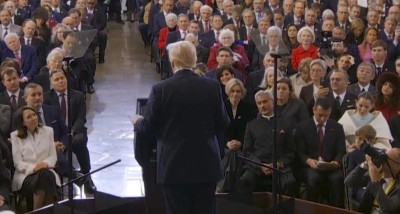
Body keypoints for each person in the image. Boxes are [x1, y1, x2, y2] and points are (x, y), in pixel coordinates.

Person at [133, 41, 229, 214]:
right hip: (205, 165)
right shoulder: (212, 87)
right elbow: (223, 123)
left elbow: (148, 128)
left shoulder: (160, 89)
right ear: (194, 61)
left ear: (172, 62)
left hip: (173, 166)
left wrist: (137, 121)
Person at [44, 70, 96, 194]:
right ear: (51, 83)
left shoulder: (77, 96)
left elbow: (81, 118)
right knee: (56, 147)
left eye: (62, 78)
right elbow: (47, 119)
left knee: (80, 141)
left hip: (74, 131)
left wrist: (72, 131)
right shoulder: (47, 98)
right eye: (56, 79)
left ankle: (86, 175)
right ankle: (73, 175)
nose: (60, 81)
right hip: (56, 134)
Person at [239, 90, 297, 196]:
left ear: (272, 102)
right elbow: (246, 152)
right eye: (259, 103)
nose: (262, 106)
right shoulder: (251, 125)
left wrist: (279, 164)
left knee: (290, 182)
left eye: (265, 102)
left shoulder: (286, 123)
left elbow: (291, 151)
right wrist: (260, 165)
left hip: (280, 166)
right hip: (256, 167)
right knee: (245, 180)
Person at [296, 97, 346, 208]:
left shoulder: (337, 127)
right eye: (320, 115)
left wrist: (336, 161)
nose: (323, 119)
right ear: (314, 110)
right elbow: (299, 151)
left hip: (330, 166)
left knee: (338, 179)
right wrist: (308, 161)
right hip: (310, 166)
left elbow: (341, 150)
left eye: (326, 115)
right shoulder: (303, 127)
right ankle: (311, 210)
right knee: (314, 179)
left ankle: (336, 210)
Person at [11, 106, 60, 210]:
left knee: (44, 176)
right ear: (23, 122)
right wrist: (34, 168)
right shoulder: (15, 136)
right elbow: (17, 162)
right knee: (45, 178)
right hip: (26, 175)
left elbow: (53, 156)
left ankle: (36, 211)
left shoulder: (48, 131)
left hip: (46, 170)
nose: (34, 118)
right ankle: (47, 211)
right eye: (29, 117)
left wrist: (44, 165)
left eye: (34, 115)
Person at [345, 147, 400, 214]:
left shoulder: (397, 185)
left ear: (397, 166)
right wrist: (365, 164)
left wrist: (374, 180)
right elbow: (349, 182)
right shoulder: (378, 173)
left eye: (386, 158)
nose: (382, 160)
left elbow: (388, 210)